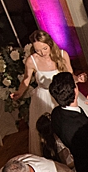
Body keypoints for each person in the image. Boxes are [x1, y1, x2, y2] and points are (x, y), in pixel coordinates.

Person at [10, 29, 74, 157]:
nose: (42, 53)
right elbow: (26, 80)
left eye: (44, 48)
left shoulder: (62, 54)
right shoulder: (32, 60)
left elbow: (70, 75)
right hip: (43, 98)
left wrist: (78, 80)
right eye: (37, 50)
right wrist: (19, 92)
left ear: (50, 44)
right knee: (48, 130)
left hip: (61, 95)